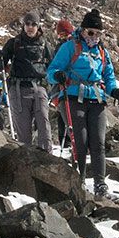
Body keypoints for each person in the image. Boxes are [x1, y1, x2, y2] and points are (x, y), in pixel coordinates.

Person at [46, 8, 119, 195]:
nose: (94, 37)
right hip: (73, 97)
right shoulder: (70, 47)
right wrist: (58, 75)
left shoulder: (102, 52)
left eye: (98, 33)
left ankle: (100, 184)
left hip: (97, 99)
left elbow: (108, 75)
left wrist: (113, 90)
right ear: (82, 30)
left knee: (98, 142)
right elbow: (51, 70)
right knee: (80, 141)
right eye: (91, 32)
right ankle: (79, 182)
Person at [0, 11, 53, 150]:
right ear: (23, 25)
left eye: (34, 24)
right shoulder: (14, 43)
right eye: (27, 24)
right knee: (23, 131)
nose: (30, 27)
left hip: (39, 88)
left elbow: (53, 66)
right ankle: (27, 158)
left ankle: (47, 156)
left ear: (38, 26)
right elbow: (0, 66)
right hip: (18, 89)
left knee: (44, 126)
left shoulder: (44, 44)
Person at [51, 17, 75, 146]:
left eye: (65, 34)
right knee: (62, 111)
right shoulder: (59, 48)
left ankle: (69, 141)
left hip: (73, 84)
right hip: (60, 85)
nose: (63, 37)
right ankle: (64, 141)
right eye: (61, 35)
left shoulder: (75, 47)